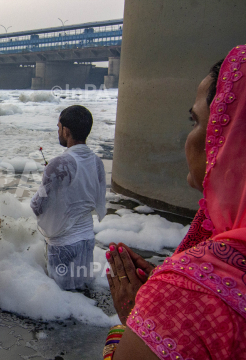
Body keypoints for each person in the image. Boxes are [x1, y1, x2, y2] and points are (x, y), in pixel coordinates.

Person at [103, 46, 246, 359]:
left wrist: (138, 319)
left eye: (194, 121)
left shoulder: (184, 296)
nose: (190, 137)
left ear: (230, 136)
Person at [30, 105, 106, 290]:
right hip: (87, 240)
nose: (58, 132)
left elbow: (37, 206)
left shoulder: (59, 164)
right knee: (82, 294)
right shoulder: (97, 162)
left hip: (63, 245)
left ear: (66, 130)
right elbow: (93, 199)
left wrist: (48, 180)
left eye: (58, 128)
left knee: (61, 299)